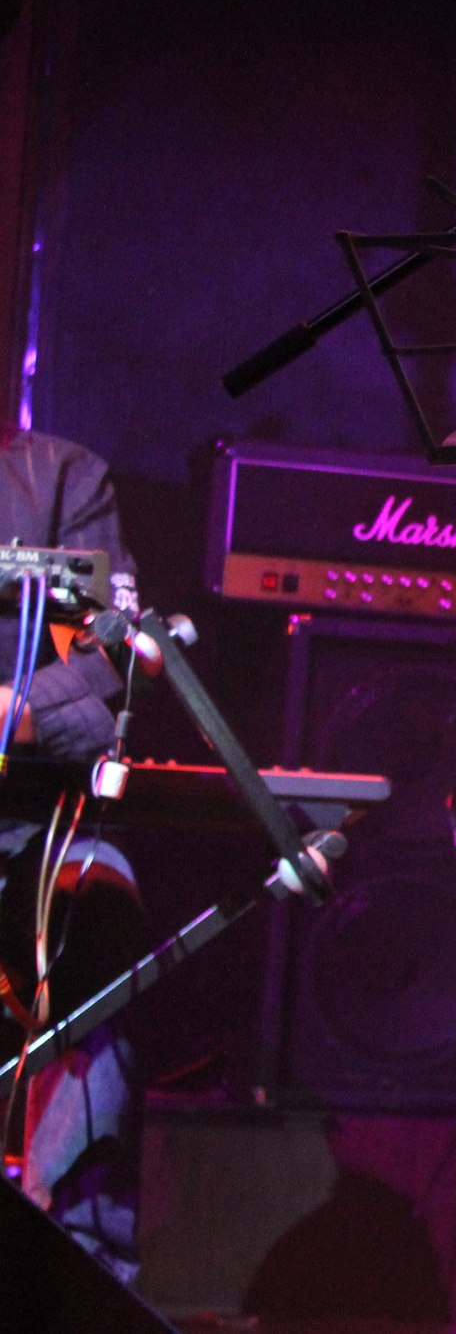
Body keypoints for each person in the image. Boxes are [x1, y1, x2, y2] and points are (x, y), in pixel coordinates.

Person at [0, 428, 144, 1280]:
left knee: (101, 901)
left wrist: (13, 709)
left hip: (31, 826)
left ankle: (76, 1271)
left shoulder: (57, 476)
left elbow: (109, 665)